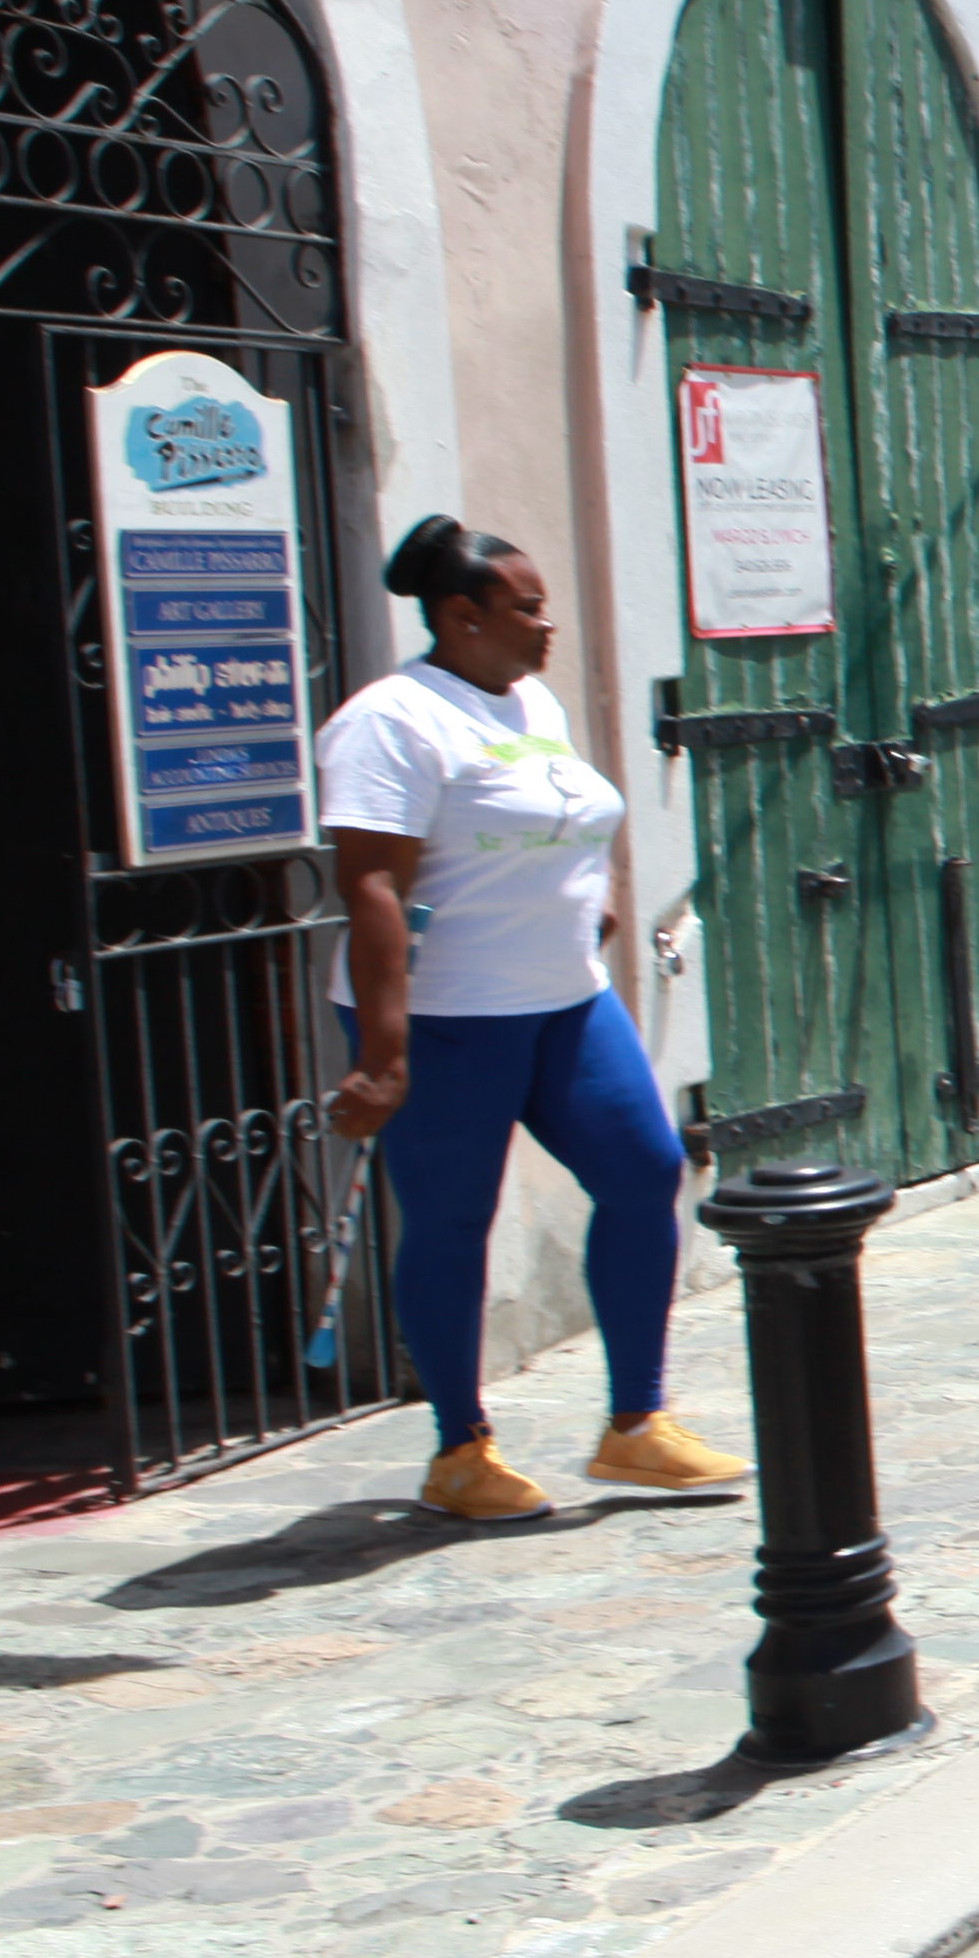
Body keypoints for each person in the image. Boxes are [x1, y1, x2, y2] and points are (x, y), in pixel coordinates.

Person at [318, 518, 745, 1521]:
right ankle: (459, 1449)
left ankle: (636, 1426)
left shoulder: (527, 699)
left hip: (565, 1002)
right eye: (527, 606)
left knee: (645, 1173)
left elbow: (548, 814)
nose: (547, 624)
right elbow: (375, 884)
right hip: (451, 1018)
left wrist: (581, 895)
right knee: (454, 1223)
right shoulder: (393, 722)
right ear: (462, 617)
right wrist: (385, 1053)